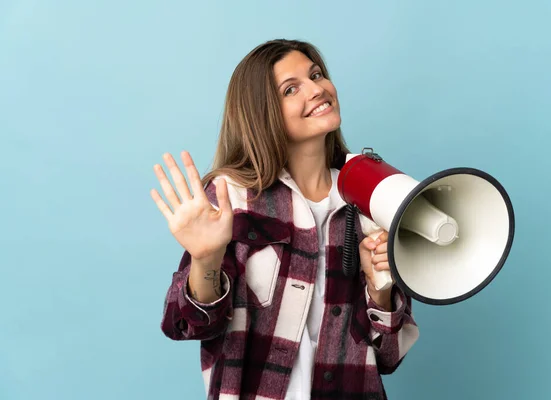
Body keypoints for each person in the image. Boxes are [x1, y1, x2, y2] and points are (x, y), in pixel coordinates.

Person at [151, 39, 419, 400]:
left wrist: (380, 289)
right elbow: (185, 324)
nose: (317, 89)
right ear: (263, 113)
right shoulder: (233, 198)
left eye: (317, 75)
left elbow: (389, 357)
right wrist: (206, 260)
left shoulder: (372, 198)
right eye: (291, 89)